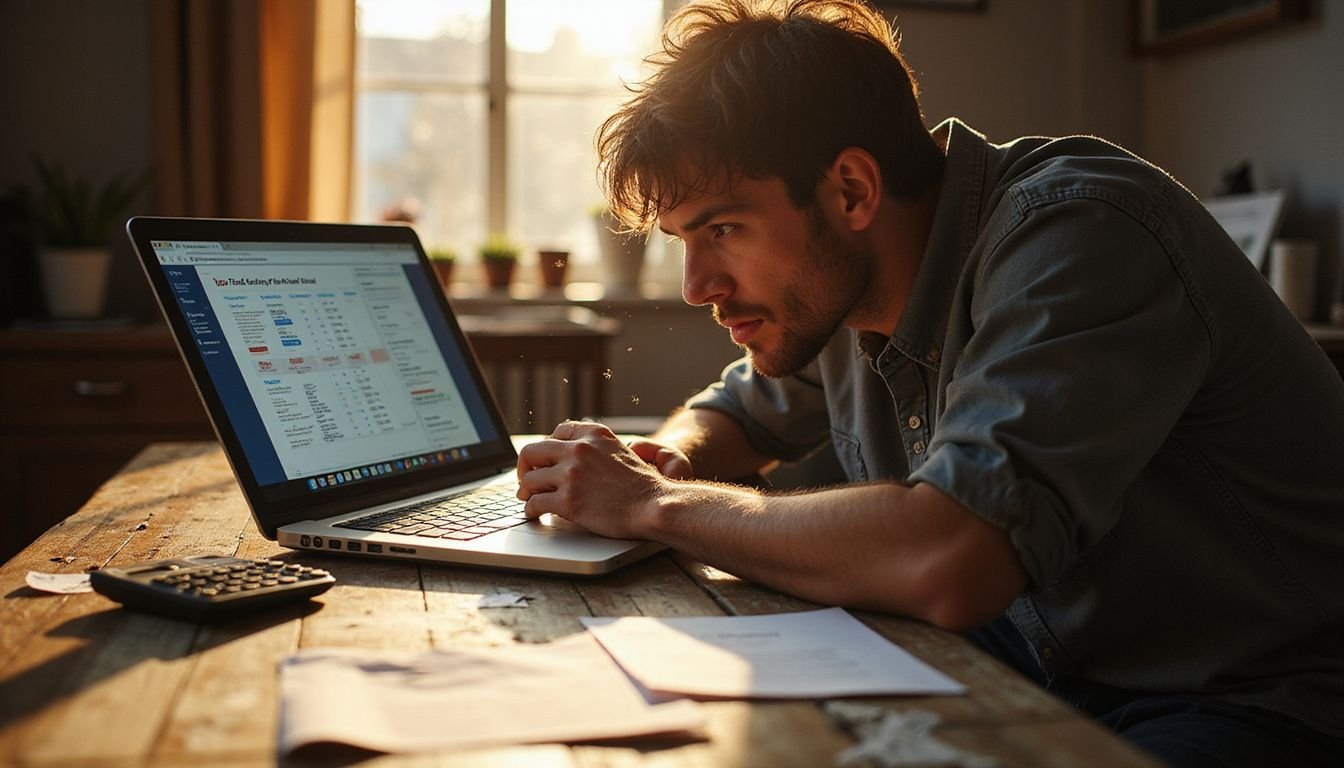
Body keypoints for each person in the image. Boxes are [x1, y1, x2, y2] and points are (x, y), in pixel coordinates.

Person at [514, 1, 1344, 764]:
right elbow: (735, 412)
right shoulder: (839, 291)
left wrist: (651, 506)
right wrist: (667, 460)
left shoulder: (1084, 233)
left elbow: (954, 555)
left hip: (1259, 696)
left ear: (851, 190)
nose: (698, 286)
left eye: (723, 229)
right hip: (1042, 660)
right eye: (681, 241)